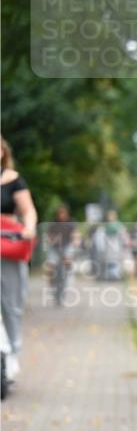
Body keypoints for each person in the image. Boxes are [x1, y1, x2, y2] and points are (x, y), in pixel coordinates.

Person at [0, 137, 38, 380]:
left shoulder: (13, 180)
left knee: (11, 303)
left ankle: (12, 352)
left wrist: (29, 228)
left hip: (6, 244)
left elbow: (28, 210)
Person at [45, 204, 77, 307]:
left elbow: (75, 235)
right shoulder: (53, 224)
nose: (62, 215)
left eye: (64, 213)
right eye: (60, 213)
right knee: (50, 267)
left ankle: (68, 275)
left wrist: (76, 241)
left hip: (66, 246)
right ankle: (51, 285)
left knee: (67, 259)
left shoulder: (71, 223)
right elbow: (49, 236)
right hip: (54, 247)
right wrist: (51, 240)